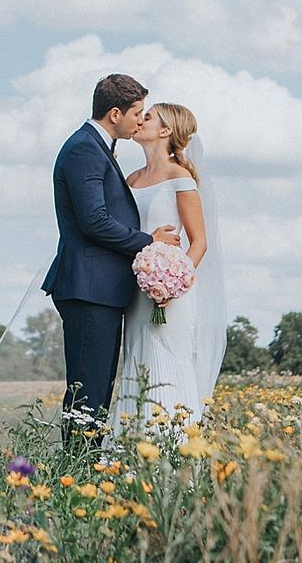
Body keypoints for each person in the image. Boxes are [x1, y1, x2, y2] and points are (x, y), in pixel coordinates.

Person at [40, 75, 181, 444]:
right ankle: (75, 476)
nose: (140, 120)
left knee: (97, 391)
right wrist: (148, 242)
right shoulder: (84, 149)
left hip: (100, 288)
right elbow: (94, 220)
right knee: (87, 396)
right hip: (89, 287)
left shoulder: (96, 147)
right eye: (136, 113)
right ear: (115, 113)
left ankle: (83, 471)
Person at [109, 103, 226, 435]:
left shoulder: (180, 177)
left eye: (148, 117)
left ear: (165, 131)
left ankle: (173, 454)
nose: (140, 120)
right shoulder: (130, 180)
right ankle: (130, 454)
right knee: (136, 360)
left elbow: (199, 241)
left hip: (171, 296)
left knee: (168, 363)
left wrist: (173, 284)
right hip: (136, 290)